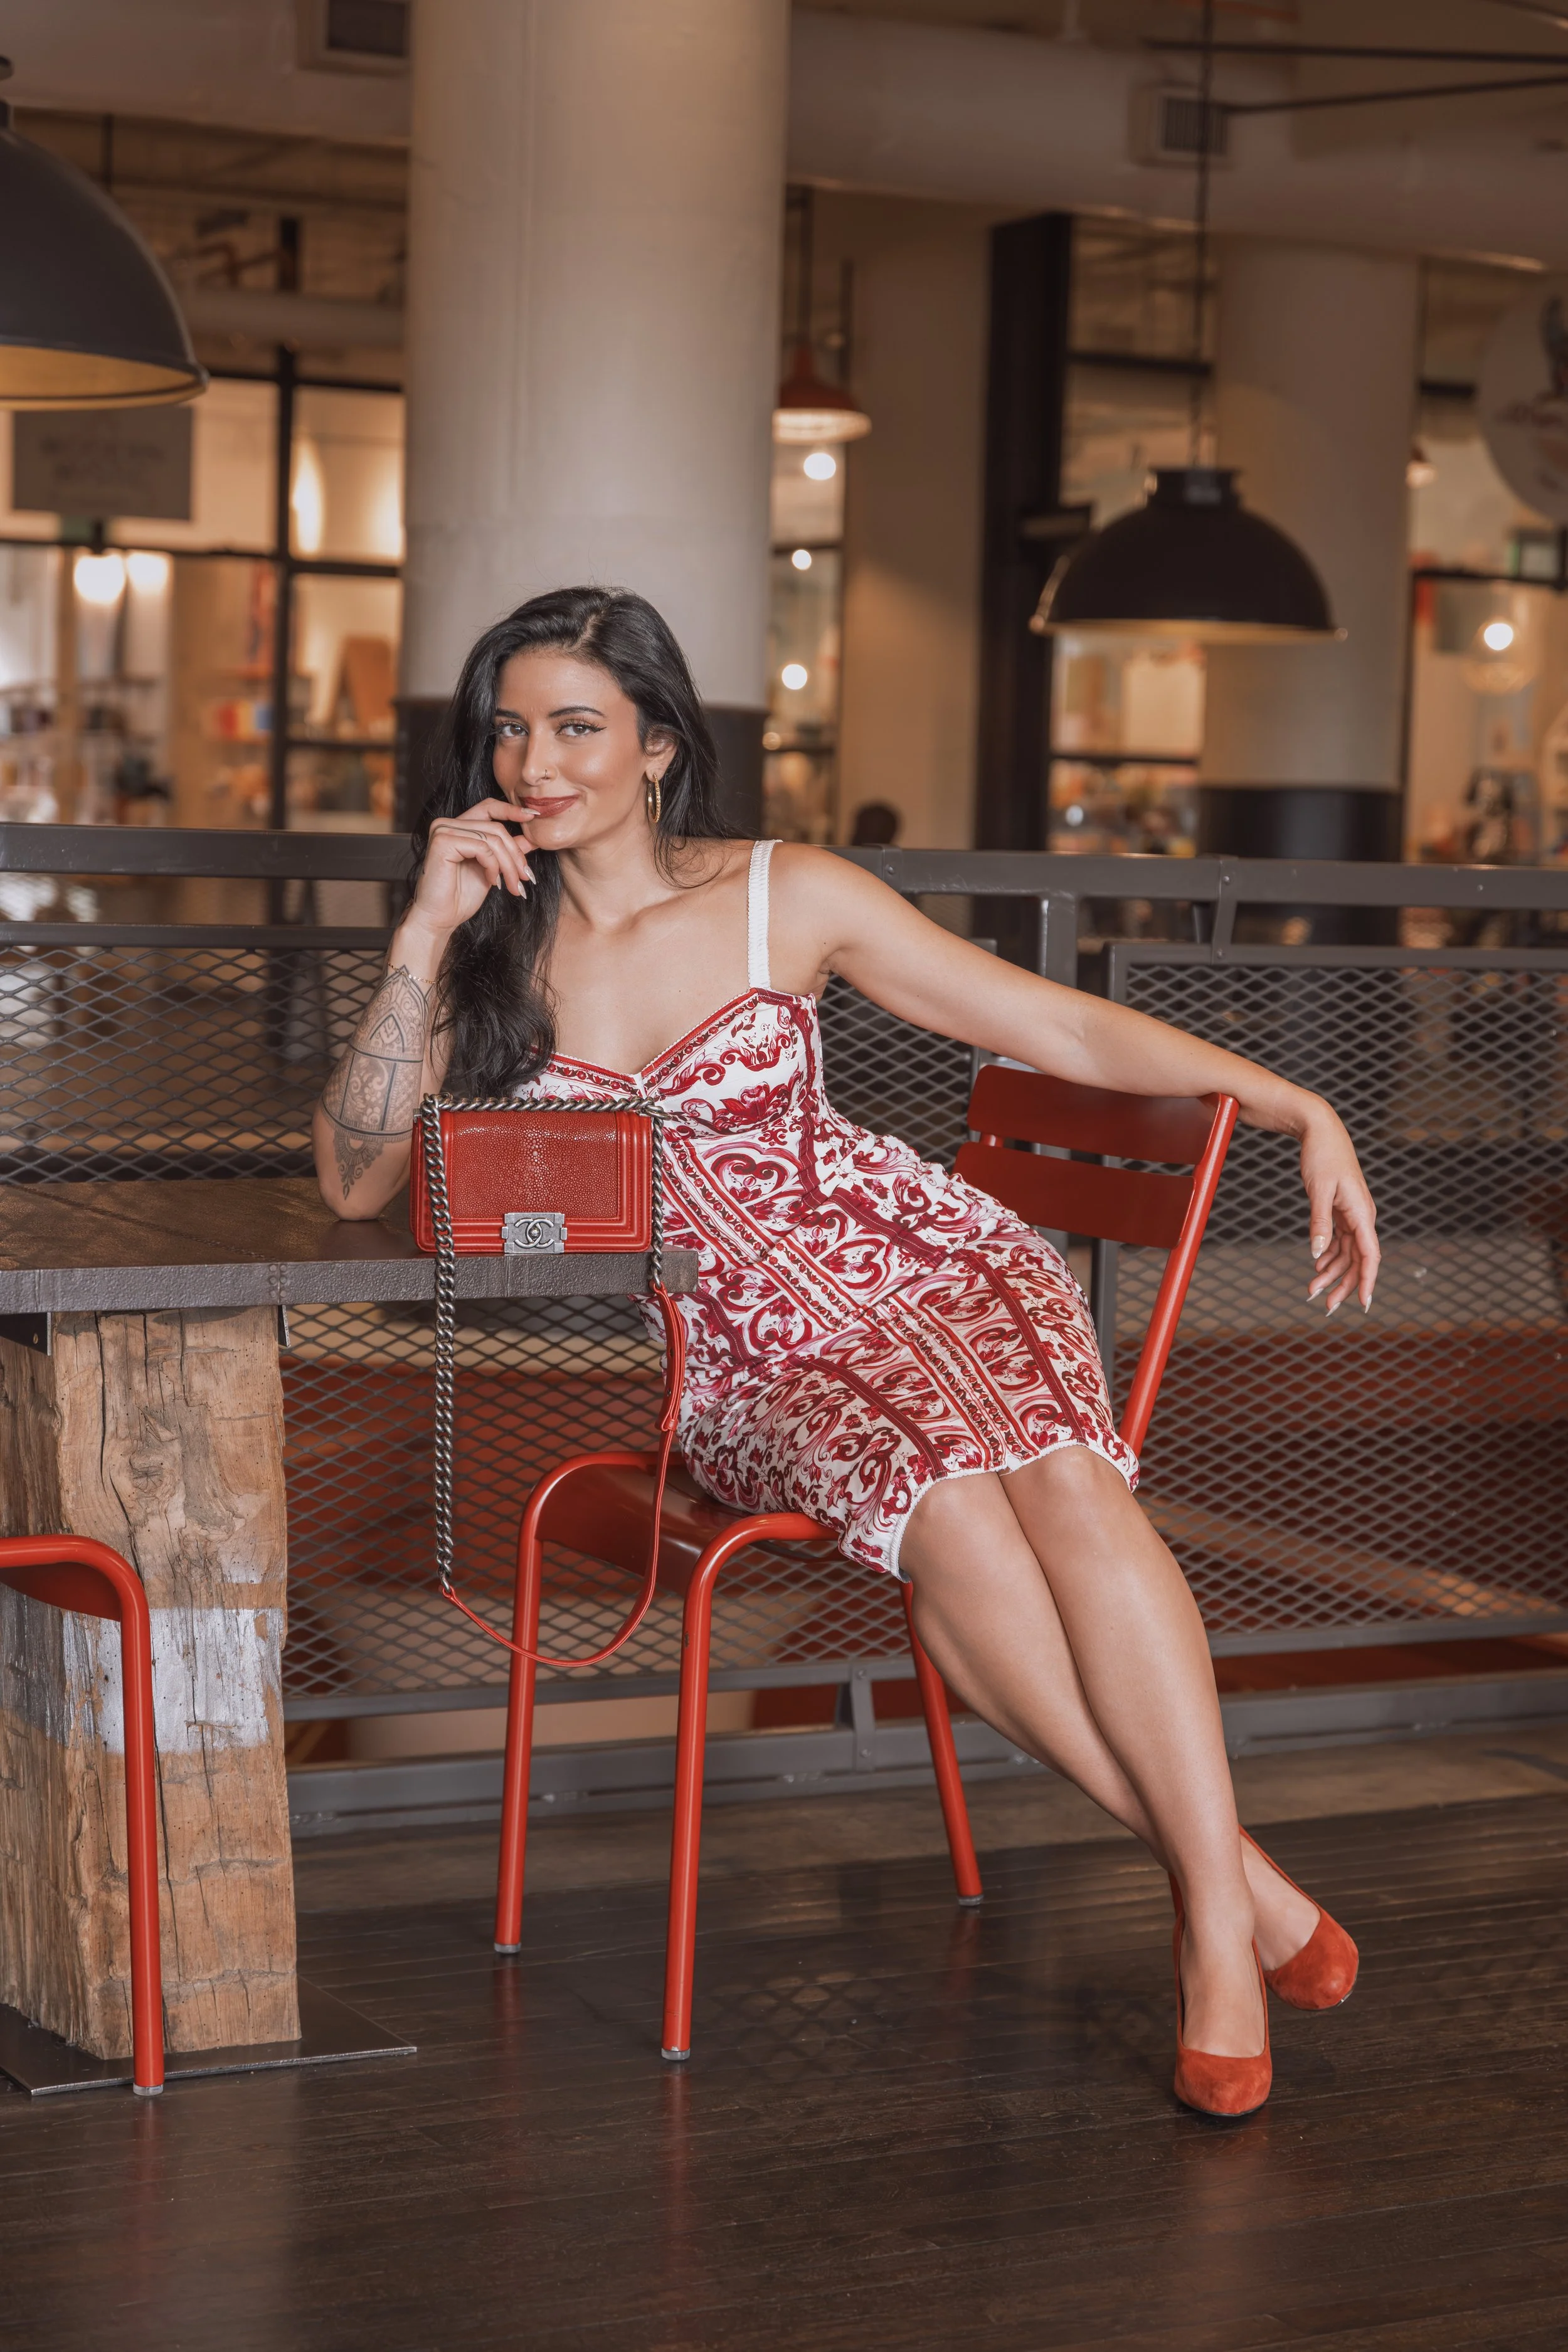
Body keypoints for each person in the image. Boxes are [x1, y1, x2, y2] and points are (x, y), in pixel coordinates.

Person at [314, 586, 1377, 2119]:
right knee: (955, 1530)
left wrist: (1297, 1105)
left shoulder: (780, 894)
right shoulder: (490, 950)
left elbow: (1054, 1030)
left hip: (944, 1272)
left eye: (574, 728)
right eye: (509, 727)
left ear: (659, 747)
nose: (534, 762)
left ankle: (1216, 1923)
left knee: (1066, 1490)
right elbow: (352, 1179)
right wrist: (423, 926)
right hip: (748, 1364)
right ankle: (1238, 1880)